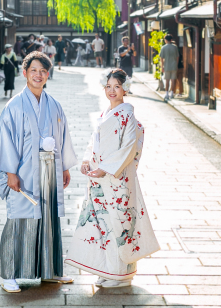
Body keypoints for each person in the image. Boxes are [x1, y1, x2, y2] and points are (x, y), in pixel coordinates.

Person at [0, 51, 78, 293]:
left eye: (43, 71)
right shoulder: (15, 106)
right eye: (33, 70)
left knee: (49, 220)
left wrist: (65, 166)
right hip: (24, 172)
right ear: (25, 73)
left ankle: (50, 271)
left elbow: (63, 137)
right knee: (19, 220)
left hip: (50, 170)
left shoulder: (54, 105)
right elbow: (4, 139)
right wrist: (9, 172)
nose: (38, 75)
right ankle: (10, 275)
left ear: (48, 74)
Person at [65, 68, 159, 288]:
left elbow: (128, 147)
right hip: (101, 176)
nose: (112, 90)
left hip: (117, 179)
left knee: (118, 223)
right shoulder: (105, 113)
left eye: (117, 86)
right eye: (108, 86)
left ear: (125, 89)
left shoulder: (127, 114)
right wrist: (88, 160)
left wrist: (106, 168)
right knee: (102, 224)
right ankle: (108, 270)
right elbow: (93, 141)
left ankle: (120, 274)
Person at [159, 35, 179, 101]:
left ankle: (167, 93)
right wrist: (176, 64)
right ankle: (172, 93)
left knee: (167, 80)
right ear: (171, 40)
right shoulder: (175, 47)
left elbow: (161, 58)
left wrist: (162, 67)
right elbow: (177, 57)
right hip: (174, 65)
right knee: (173, 80)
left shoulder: (163, 47)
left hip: (166, 65)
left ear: (166, 40)